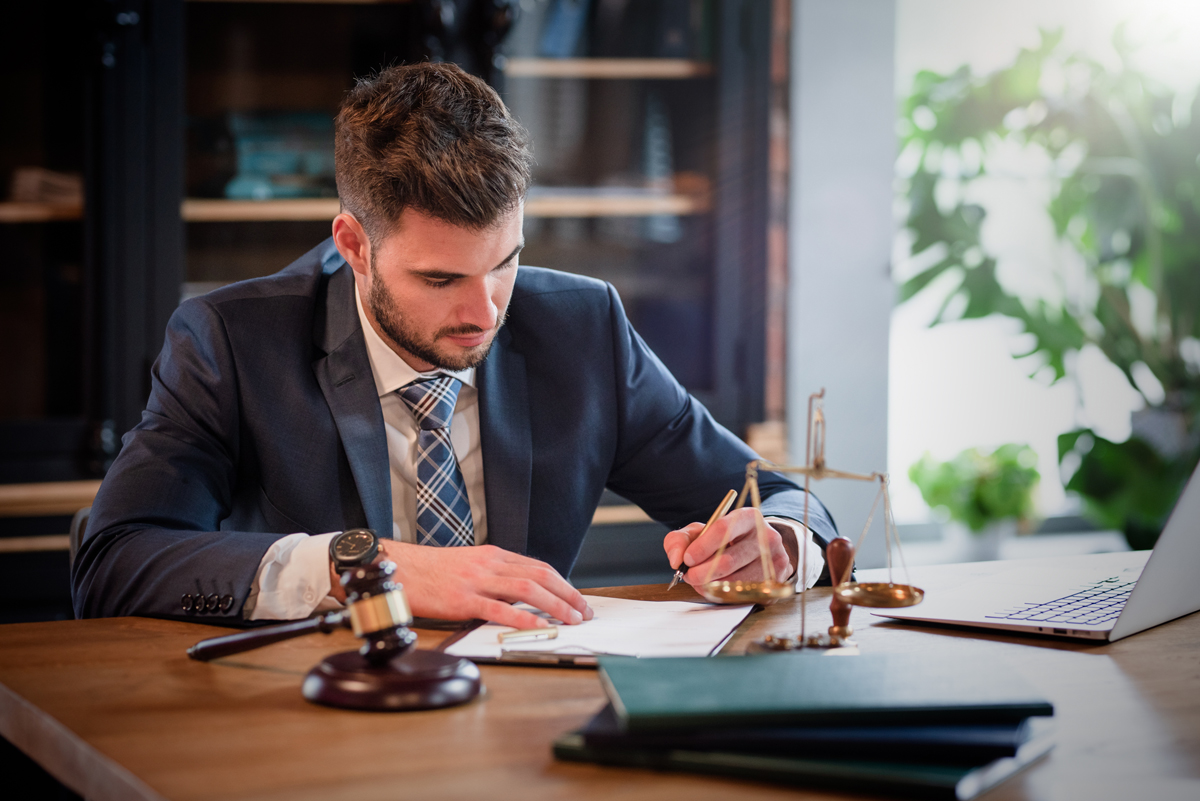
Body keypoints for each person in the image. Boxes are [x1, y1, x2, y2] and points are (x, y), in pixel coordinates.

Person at [72, 63, 838, 631]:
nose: (485, 311)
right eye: (440, 277)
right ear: (354, 245)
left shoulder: (582, 326)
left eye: (504, 262)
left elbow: (780, 496)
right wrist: (367, 565)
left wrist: (780, 543)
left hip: (529, 731)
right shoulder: (231, 344)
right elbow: (113, 562)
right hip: (309, 727)